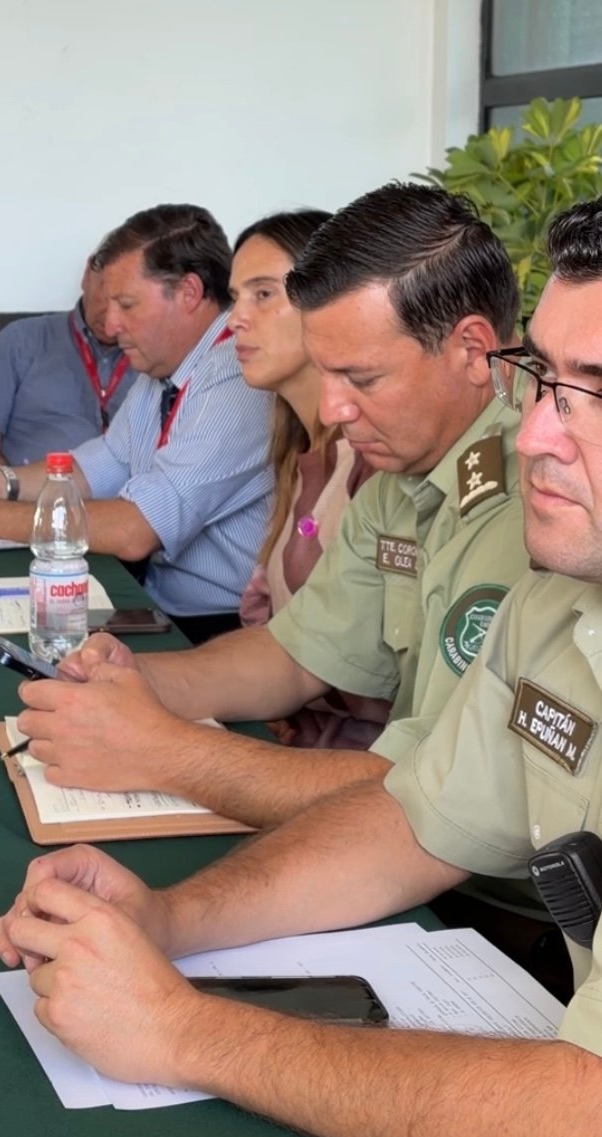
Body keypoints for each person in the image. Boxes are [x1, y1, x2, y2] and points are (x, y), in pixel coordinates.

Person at [0, 174, 602, 1137]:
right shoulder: (571, 593)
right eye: (544, 378)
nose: (533, 434)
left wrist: (180, 1028)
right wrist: (170, 918)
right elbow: (414, 821)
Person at [14, 184, 526, 825]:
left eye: (362, 378)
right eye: (326, 373)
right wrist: (139, 679)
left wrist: (164, 751)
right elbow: (295, 654)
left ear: (474, 351)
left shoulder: (528, 490)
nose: (334, 409)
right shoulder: (404, 468)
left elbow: (434, 792)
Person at [0, 204, 274, 640]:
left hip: (222, 627)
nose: (111, 325)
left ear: (189, 292)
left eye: (127, 304)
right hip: (160, 604)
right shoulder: (164, 368)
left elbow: (135, 529)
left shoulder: (237, 374)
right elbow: (94, 468)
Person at [228, 209, 387, 749]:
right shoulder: (301, 452)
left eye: (263, 294)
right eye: (235, 298)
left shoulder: (373, 457)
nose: (236, 319)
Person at [0, 259, 137, 466]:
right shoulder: (22, 340)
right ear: (87, 275)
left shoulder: (154, 356)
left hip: (132, 486)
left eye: (126, 303)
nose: (111, 318)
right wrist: (5, 484)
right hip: (31, 485)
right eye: (107, 295)